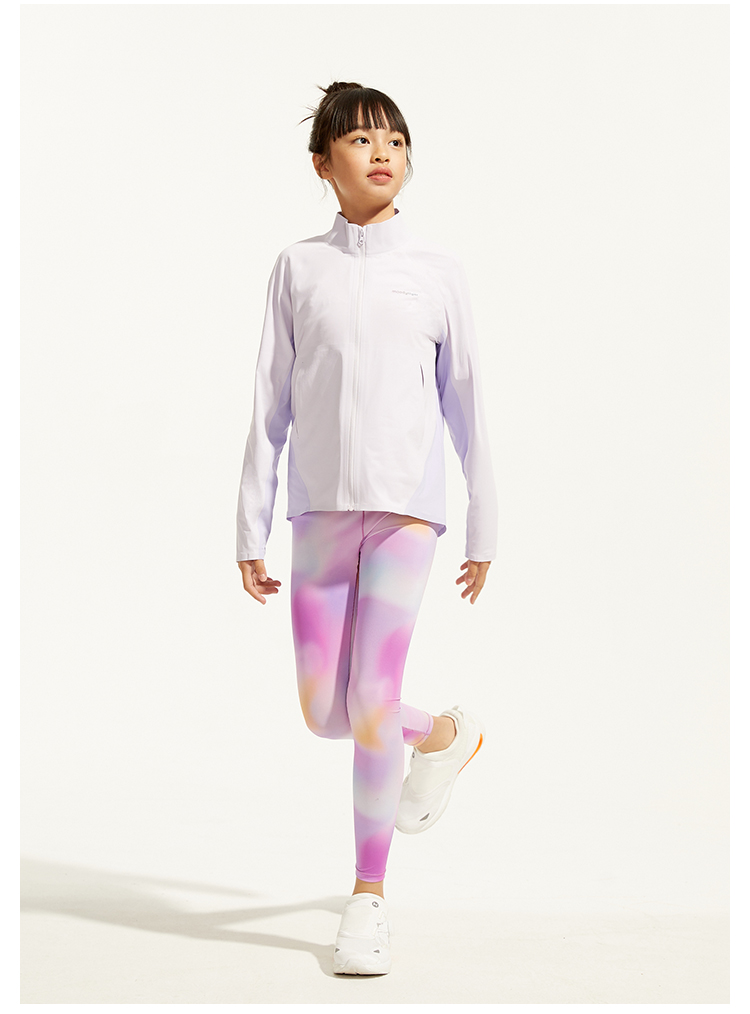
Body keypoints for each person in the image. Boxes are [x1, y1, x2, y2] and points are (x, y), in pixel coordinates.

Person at [236, 81, 498, 976]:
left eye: (394, 138)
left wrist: (483, 524)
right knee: (328, 713)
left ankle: (368, 897)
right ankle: (446, 736)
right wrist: (250, 526)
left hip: (405, 514)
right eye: (359, 139)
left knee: (372, 698)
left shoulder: (437, 271)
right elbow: (269, 402)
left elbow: (469, 402)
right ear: (323, 164)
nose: (382, 151)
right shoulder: (296, 268)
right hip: (317, 508)